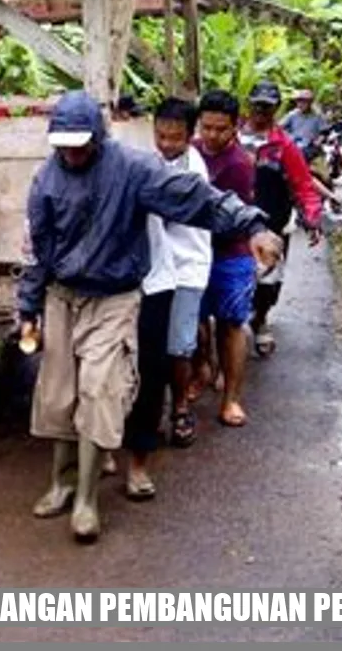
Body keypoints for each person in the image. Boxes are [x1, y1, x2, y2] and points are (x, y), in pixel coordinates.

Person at [22, 91, 280, 543]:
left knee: (99, 389)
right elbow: (39, 251)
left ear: (100, 136)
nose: (72, 152)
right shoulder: (46, 179)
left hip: (116, 296)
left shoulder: (133, 169)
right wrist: (28, 308)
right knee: (59, 395)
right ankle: (61, 482)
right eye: (63, 144)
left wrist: (253, 225)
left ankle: (86, 499)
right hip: (63, 295)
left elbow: (199, 198)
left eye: (80, 143)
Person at [193, 91, 260, 429]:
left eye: (221, 129)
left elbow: (238, 217)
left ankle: (231, 397)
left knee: (231, 325)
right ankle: (204, 367)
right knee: (195, 322)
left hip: (231, 253)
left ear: (235, 127)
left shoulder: (241, 165)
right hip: (195, 251)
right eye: (207, 127)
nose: (212, 135)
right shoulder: (188, 152)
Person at [242, 81, 324, 357]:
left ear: (276, 108)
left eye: (267, 106)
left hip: (272, 223)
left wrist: (312, 216)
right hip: (235, 224)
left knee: (269, 282)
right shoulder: (231, 136)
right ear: (249, 104)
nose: (261, 111)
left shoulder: (284, 145)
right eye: (257, 105)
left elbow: (303, 184)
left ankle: (261, 319)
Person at [155, 97, 213, 448]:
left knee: (178, 347)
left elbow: (166, 209)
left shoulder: (194, 172)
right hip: (155, 268)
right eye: (160, 136)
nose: (166, 144)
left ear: (190, 136)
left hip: (186, 267)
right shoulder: (153, 161)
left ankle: (179, 409)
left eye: (174, 138)